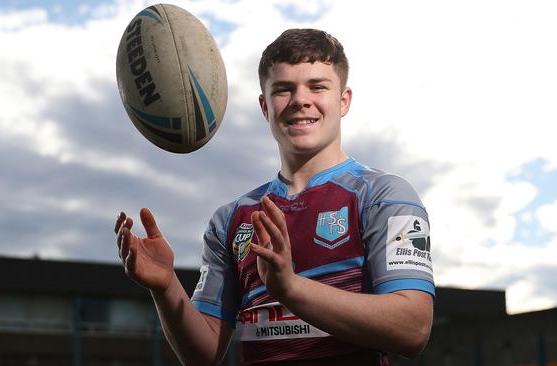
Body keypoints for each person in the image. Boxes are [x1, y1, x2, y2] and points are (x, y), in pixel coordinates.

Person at [115, 28, 434, 365]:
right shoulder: (232, 218)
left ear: (343, 101)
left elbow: (413, 329)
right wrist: (165, 287)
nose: (300, 100)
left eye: (317, 86)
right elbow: (204, 354)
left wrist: (290, 289)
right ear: (265, 106)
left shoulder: (383, 195)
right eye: (284, 90)